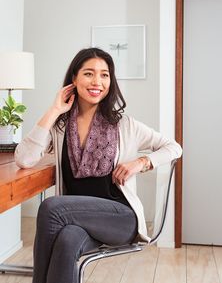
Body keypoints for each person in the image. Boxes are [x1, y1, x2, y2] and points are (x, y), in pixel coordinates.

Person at [15, 47, 182, 283]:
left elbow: (174, 147)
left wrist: (141, 162)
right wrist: (54, 110)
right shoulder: (60, 126)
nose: (97, 81)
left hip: (119, 217)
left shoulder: (124, 125)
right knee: (67, 239)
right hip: (74, 219)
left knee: (51, 207)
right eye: (89, 73)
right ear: (74, 78)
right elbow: (24, 158)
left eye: (105, 75)